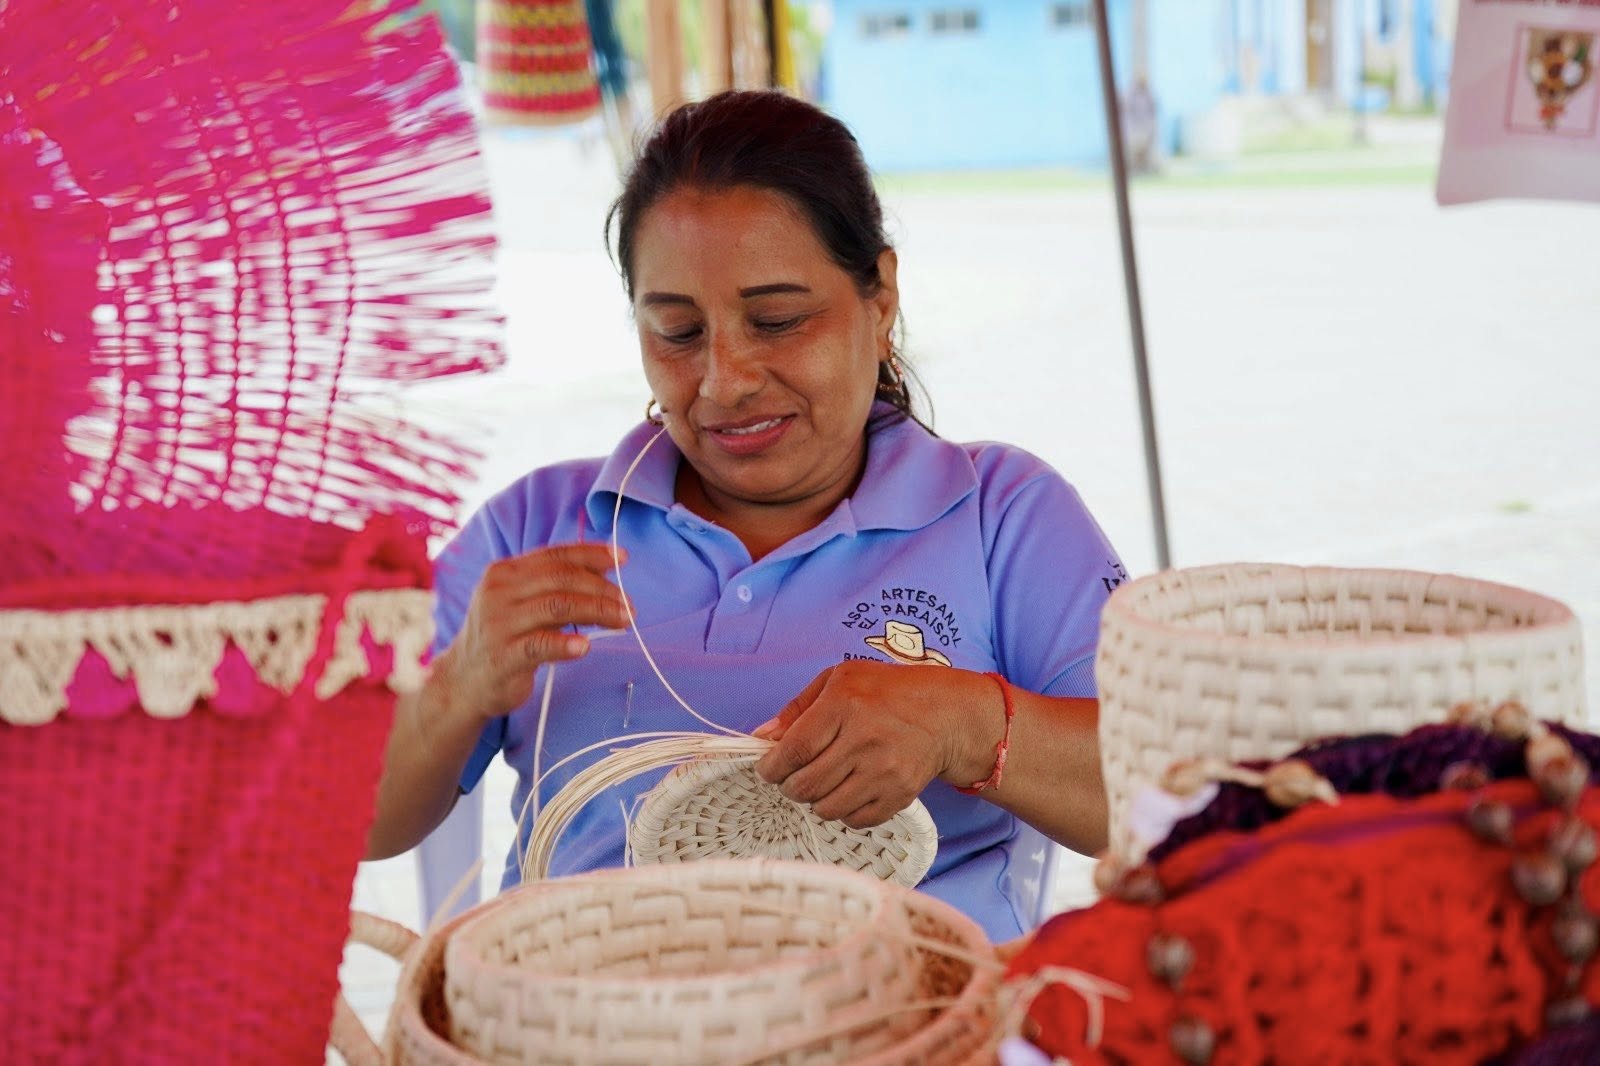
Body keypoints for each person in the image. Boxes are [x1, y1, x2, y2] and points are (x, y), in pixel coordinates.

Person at [366, 90, 1125, 941]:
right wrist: (458, 686)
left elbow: (1171, 793)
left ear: (880, 299)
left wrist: (969, 723)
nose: (725, 381)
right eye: (677, 333)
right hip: (578, 996)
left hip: (911, 999)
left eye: (777, 321)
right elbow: (361, 822)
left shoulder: (1000, 516)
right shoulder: (534, 528)